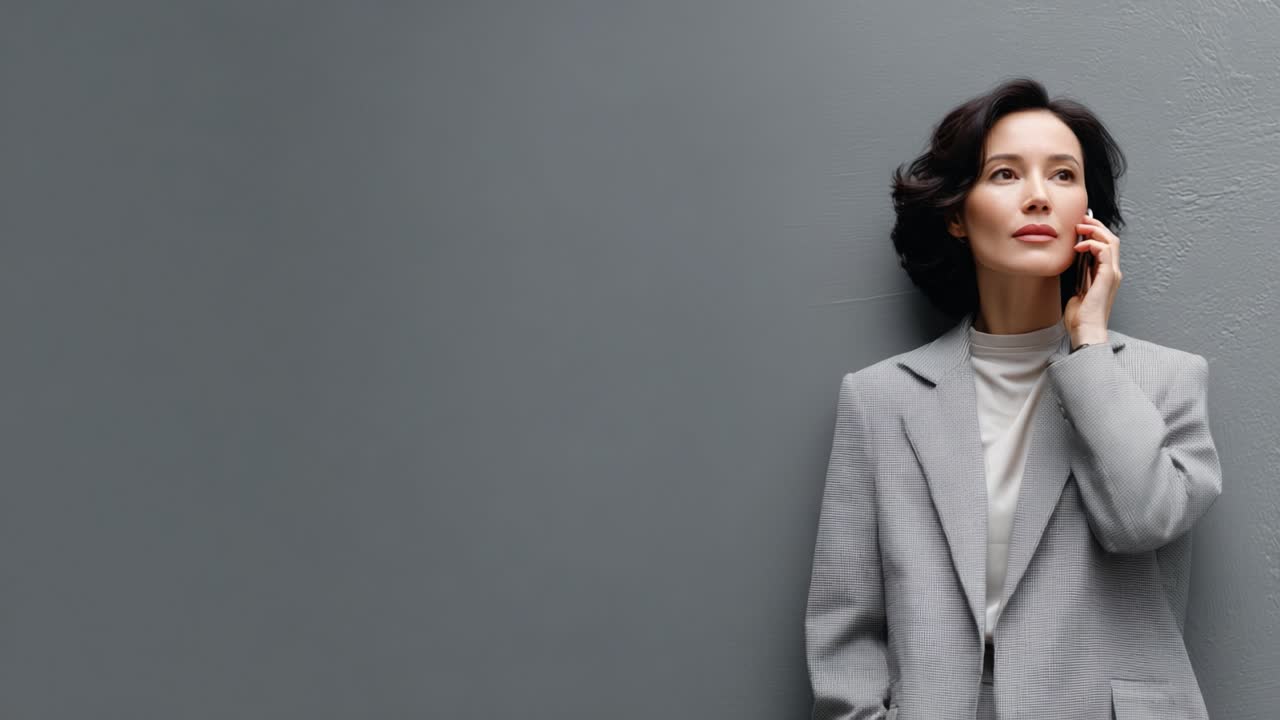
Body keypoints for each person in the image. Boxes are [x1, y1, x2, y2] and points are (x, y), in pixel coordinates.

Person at [803, 78, 1223, 719]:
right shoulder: (879, 400)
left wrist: (1090, 346)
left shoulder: (1166, 380)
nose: (1037, 197)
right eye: (1004, 174)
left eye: (1062, 175)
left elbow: (1141, 523)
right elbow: (846, 631)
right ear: (955, 214)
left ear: (1088, 211)